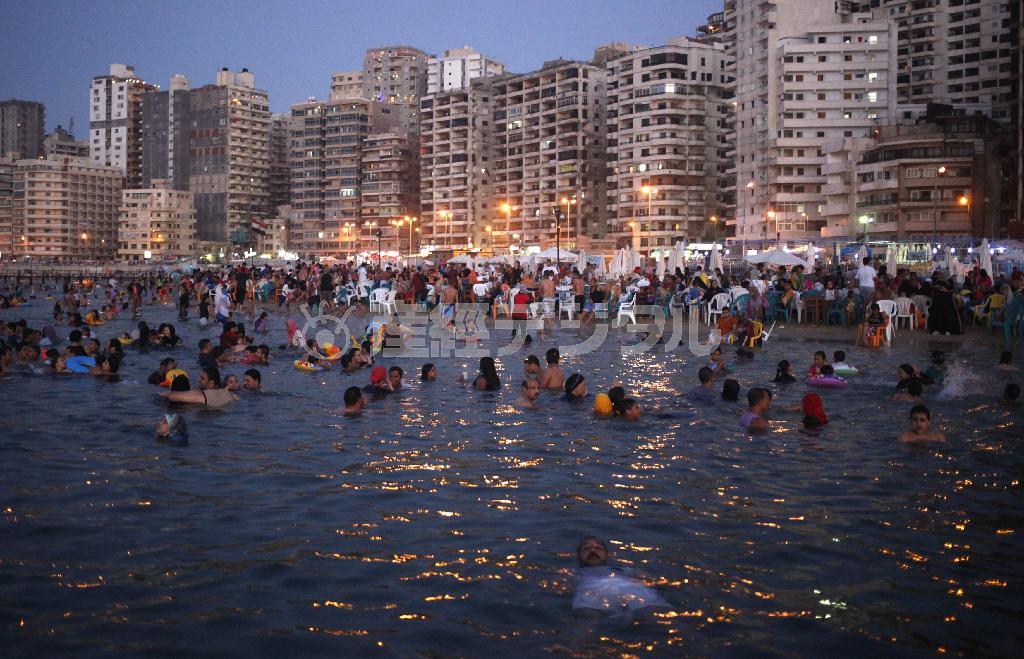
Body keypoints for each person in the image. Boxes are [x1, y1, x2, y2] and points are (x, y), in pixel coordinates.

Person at [571, 536, 668, 614]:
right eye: (586, 549)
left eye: (598, 548)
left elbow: (652, 580)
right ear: (580, 556)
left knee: (656, 613)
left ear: (606, 554)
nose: (592, 551)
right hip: (593, 592)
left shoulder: (622, 569)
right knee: (588, 618)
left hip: (629, 589)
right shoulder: (575, 573)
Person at [164, 366, 237, 408]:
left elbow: (172, 396)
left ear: (211, 383)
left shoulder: (201, 395)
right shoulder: (228, 393)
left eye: (202, 378)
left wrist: (164, 394)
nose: (199, 380)